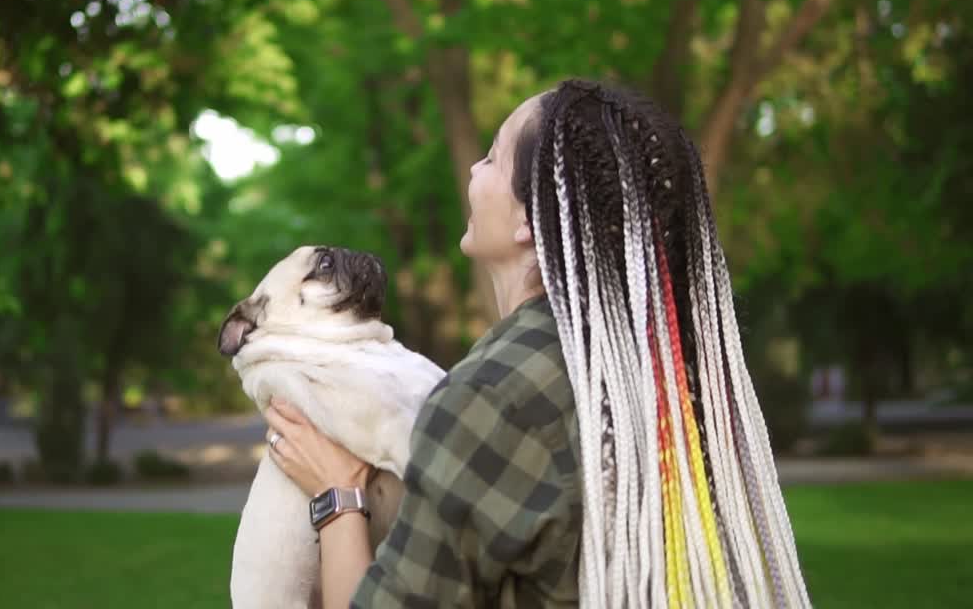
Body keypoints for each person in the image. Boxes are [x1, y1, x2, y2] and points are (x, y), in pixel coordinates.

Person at [264, 79, 810, 608]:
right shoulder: (672, 374)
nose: (475, 172)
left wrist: (338, 494)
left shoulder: (492, 397)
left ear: (528, 217)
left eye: (492, 157)